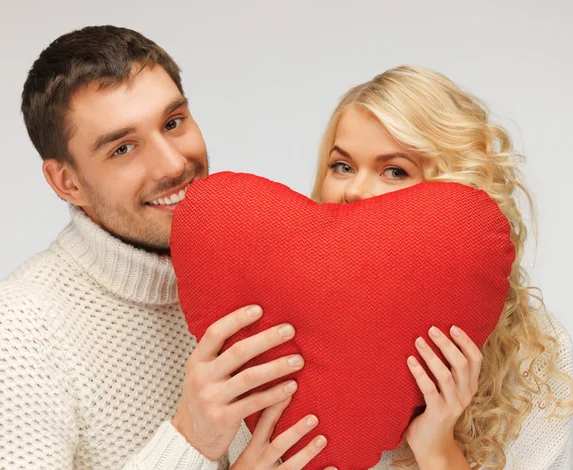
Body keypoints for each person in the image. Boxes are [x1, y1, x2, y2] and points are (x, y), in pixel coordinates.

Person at [0, 25, 336, 470]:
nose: (174, 163)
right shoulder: (21, 331)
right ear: (68, 182)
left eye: (173, 123)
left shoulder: (262, 264)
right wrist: (189, 439)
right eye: (123, 148)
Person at [227, 65, 573, 469]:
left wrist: (437, 449)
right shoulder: (268, 331)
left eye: (395, 171)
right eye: (342, 166)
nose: (356, 190)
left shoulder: (533, 356)